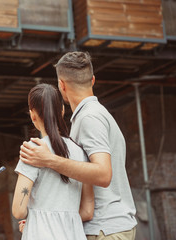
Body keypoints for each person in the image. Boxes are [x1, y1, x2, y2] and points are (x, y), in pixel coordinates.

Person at [19, 52, 137, 240]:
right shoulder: (94, 114)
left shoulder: (89, 118)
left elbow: (103, 174)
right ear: (93, 80)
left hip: (105, 229)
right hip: (103, 226)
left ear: (61, 85)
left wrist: (49, 160)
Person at [12, 84, 94, 239]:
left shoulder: (33, 150)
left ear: (32, 115)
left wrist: (34, 220)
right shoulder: (80, 152)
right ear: (62, 111)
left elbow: (18, 210)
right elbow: (87, 212)